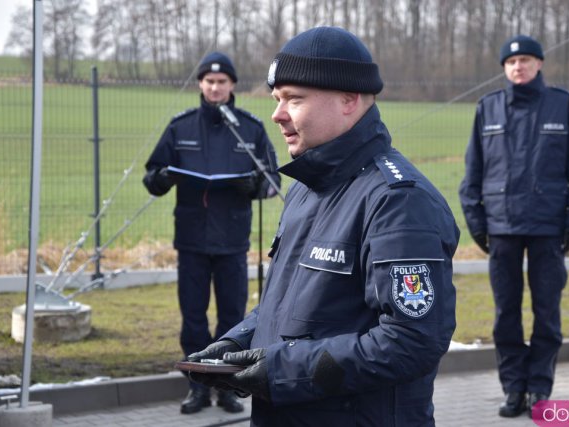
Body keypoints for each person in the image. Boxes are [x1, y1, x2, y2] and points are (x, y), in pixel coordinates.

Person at [185, 26, 459, 426]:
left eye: (294, 99)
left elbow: (412, 341)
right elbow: (291, 307)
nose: (277, 114)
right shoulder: (305, 189)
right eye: (278, 99)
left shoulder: (398, 201)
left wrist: (283, 370)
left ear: (349, 99)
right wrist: (236, 343)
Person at [459, 35, 569, 418]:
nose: (519, 67)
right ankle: (513, 389)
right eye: (512, 61)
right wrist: (477, 224)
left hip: (548, 228)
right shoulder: (488, 109)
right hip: (501, 229)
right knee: (506, 314)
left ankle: (540, 389)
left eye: (526, 60)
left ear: (539, 65)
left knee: (547, 312)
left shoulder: (562, 105)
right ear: (504, 68)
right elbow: (472, 176)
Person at [142, 51, 281, 415]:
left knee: (232, 317)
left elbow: (271, 182)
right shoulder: (181, 126)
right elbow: (152, 176)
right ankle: (197, 388)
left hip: (233, 241)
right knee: (193, 317)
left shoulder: (249, 128)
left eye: (221, 82)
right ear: (200, 84)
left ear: (232, 85)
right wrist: (161, 178)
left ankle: (230, 387)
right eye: (208, 81)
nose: (215, 87)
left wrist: (252, 186)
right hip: (191, 240)